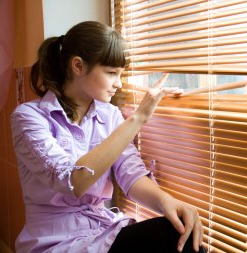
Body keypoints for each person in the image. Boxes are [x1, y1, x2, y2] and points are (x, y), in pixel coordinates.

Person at [11, 21, 205, 253]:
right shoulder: (28, 117)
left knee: (182, 231)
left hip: (102, 232)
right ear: (78, 66)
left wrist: (169, 203)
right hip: (54, 242)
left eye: (121, 74)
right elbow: (73, 181)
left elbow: (131, 175)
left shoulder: (110, 115)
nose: (119, 83)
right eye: (112, 73)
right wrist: (138, 118)